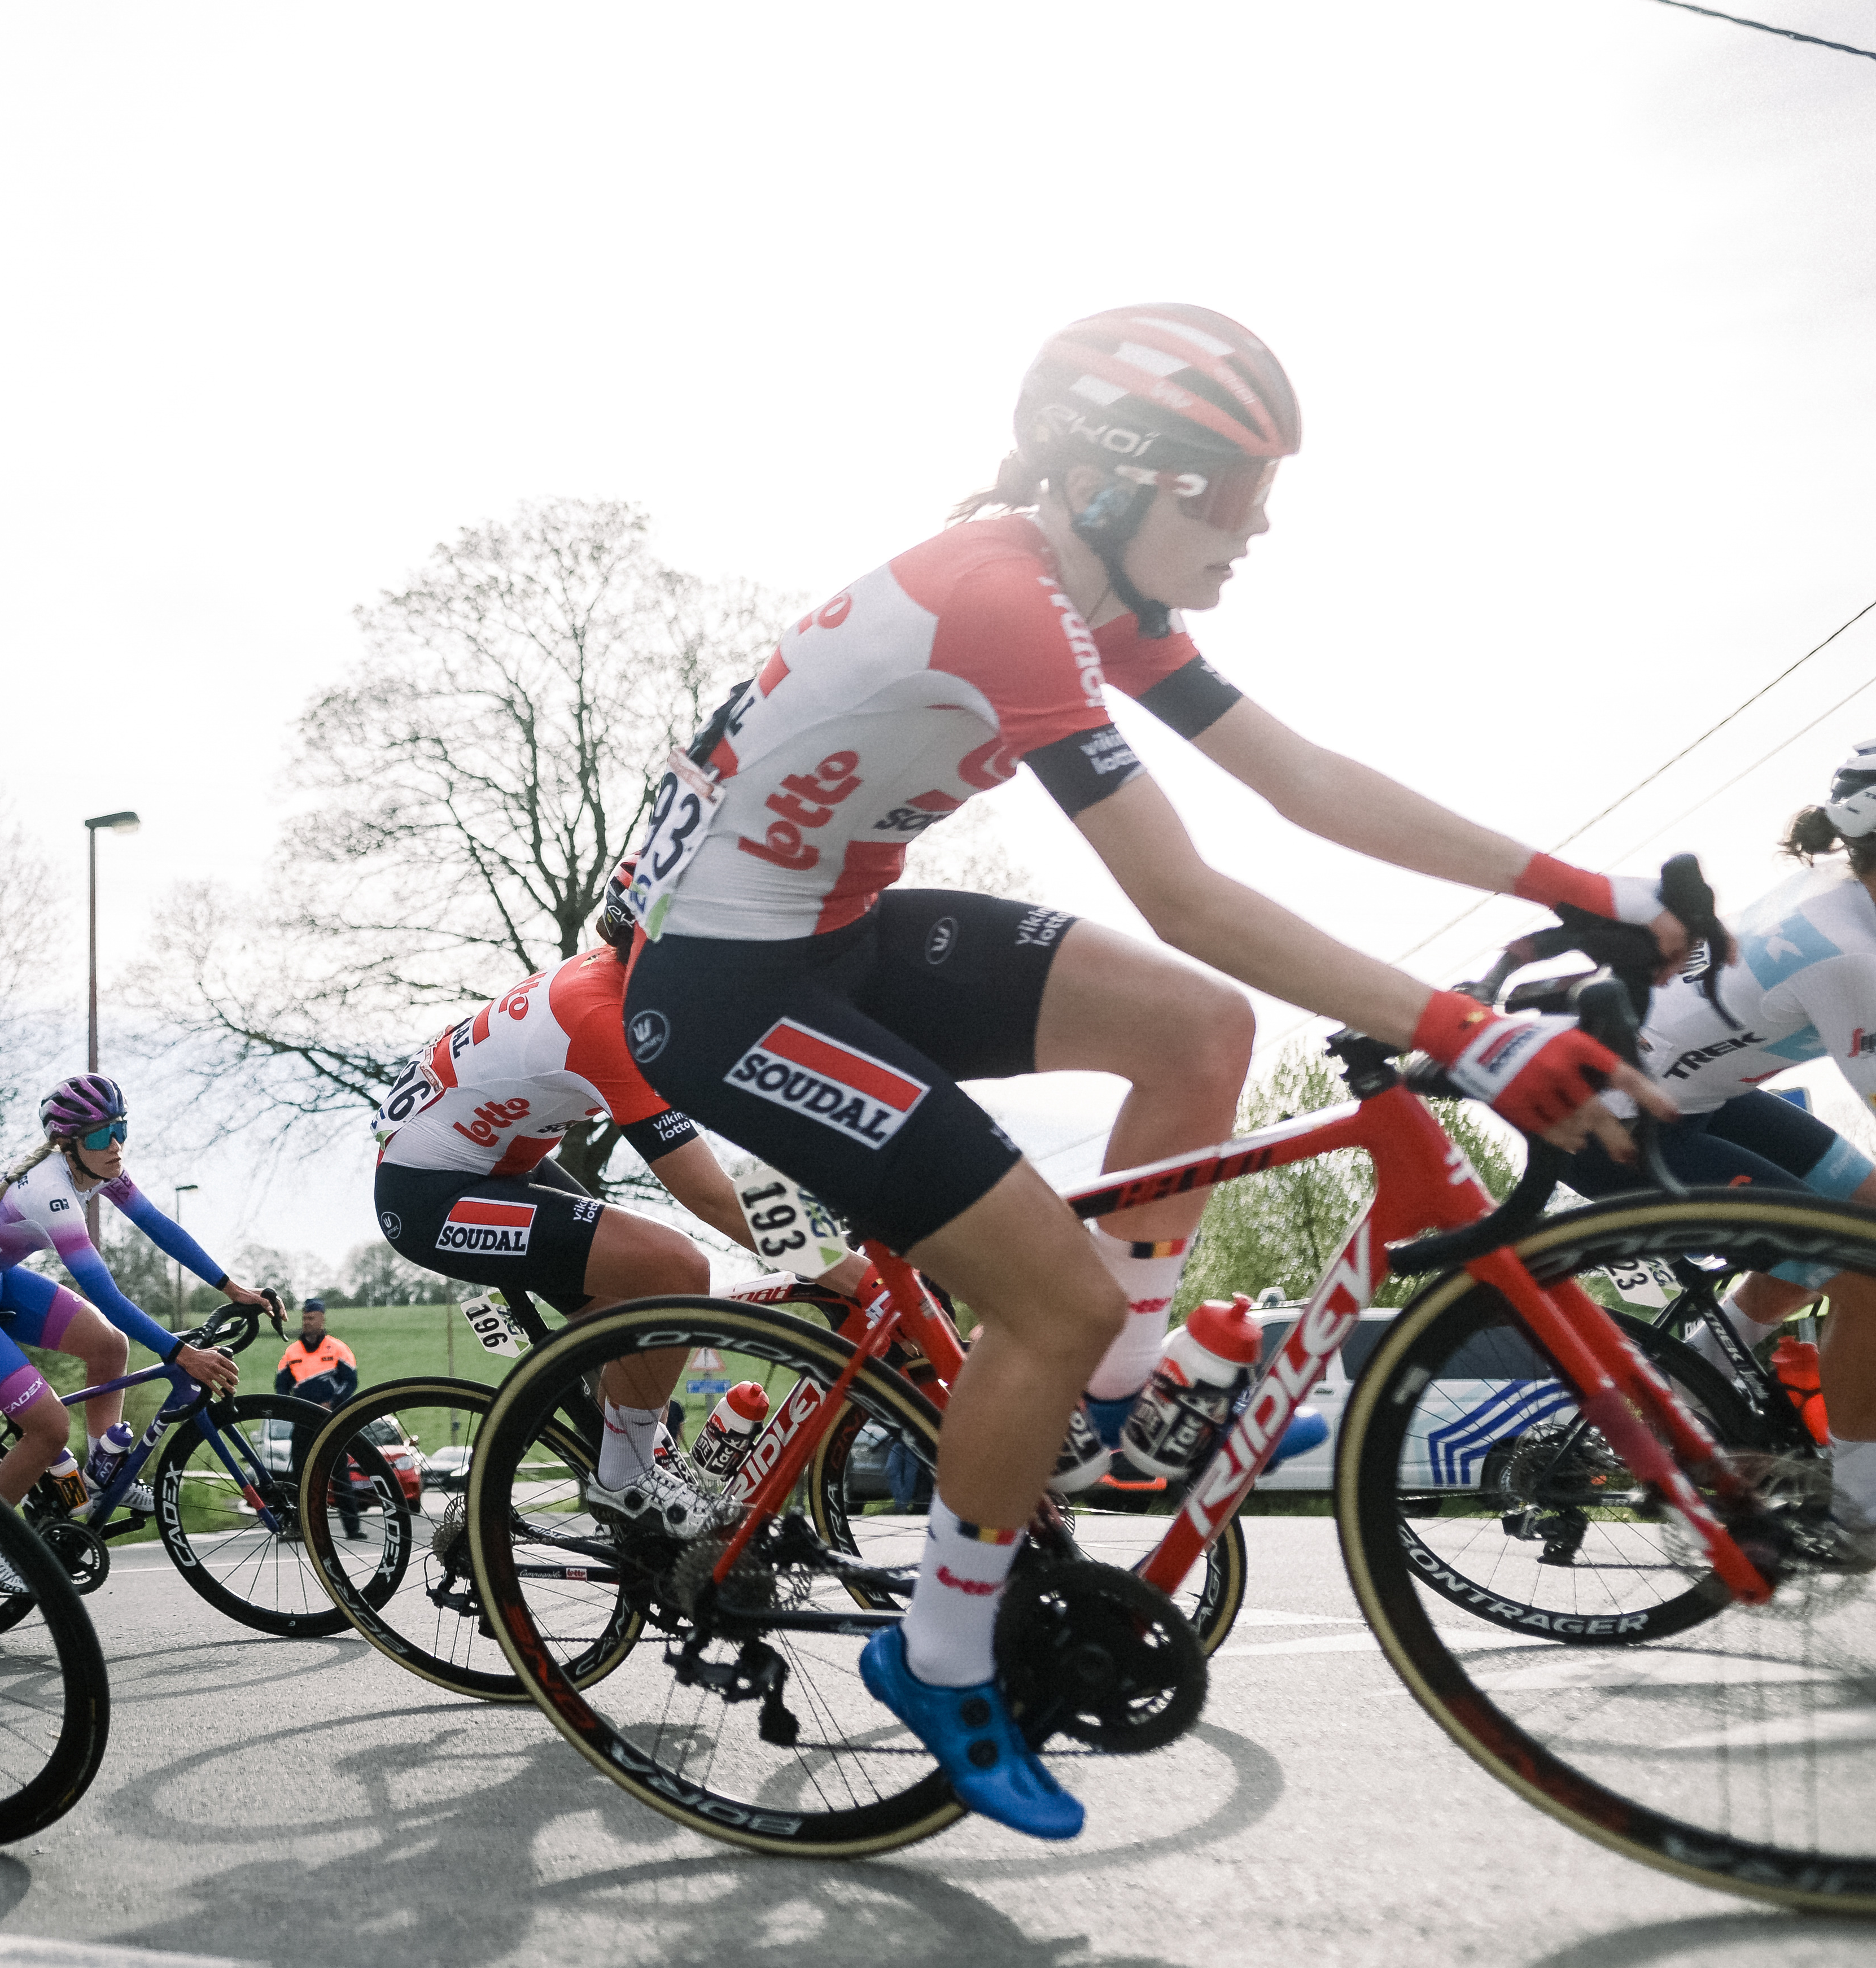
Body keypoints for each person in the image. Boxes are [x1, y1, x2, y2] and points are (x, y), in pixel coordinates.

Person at [613, 304, 1677, 1839]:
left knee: (1199, 1034)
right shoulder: (998, 596)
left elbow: (1303, 780)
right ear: (1118, 479)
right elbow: (1185, 890)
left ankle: (1114, 1402)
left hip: (829, 935)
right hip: (720, 996)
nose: (1256, 530)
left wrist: (1593, 894)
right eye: (1232, 493)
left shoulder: (1078, 588)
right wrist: (1468, 1029)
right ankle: (944, 1650)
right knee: (1052, 1294)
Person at [374, 868, 821, 1530]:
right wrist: (832, 1254)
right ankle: (624, 1479)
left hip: (496, 1163)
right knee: (677, 1270)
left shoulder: (633, 980)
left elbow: (750, 1109)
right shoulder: (607, 1018)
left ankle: (614, 1456)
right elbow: (710, 1195)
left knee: (631, 1313)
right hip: (428, 1191)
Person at [1566, 742, 1876, 1554]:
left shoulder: (1841, 891)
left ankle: (1698, 1370)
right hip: (1611, 1129)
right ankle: (1857, 1510)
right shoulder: (1851, 955)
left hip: (1691, 1098)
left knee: (1862, 1215)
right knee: (1867, 1272)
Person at [0, 1075, 269, 1587]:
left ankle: (100, 1474)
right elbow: (104, 1291)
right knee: (50, 1426)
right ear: (68, 1144)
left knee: (109, 1345)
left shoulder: (98, 1167)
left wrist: (230, 1286)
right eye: (101, 1136)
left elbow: (159, 1225)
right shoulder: (51, 1190)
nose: (115, 1145)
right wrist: (178, 1353)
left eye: (120, 1129)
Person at [273, 1301, 359, 1412]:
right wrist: (290, 1407)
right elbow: (281, 1385)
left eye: (311, 1319)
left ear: (322, 1320)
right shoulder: (291, 1351)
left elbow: (350, 1382)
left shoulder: (339, 1349)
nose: (307, 1323)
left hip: (332, 1413)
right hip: (302, 1415)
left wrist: (333, 1403)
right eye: (305, 1319)